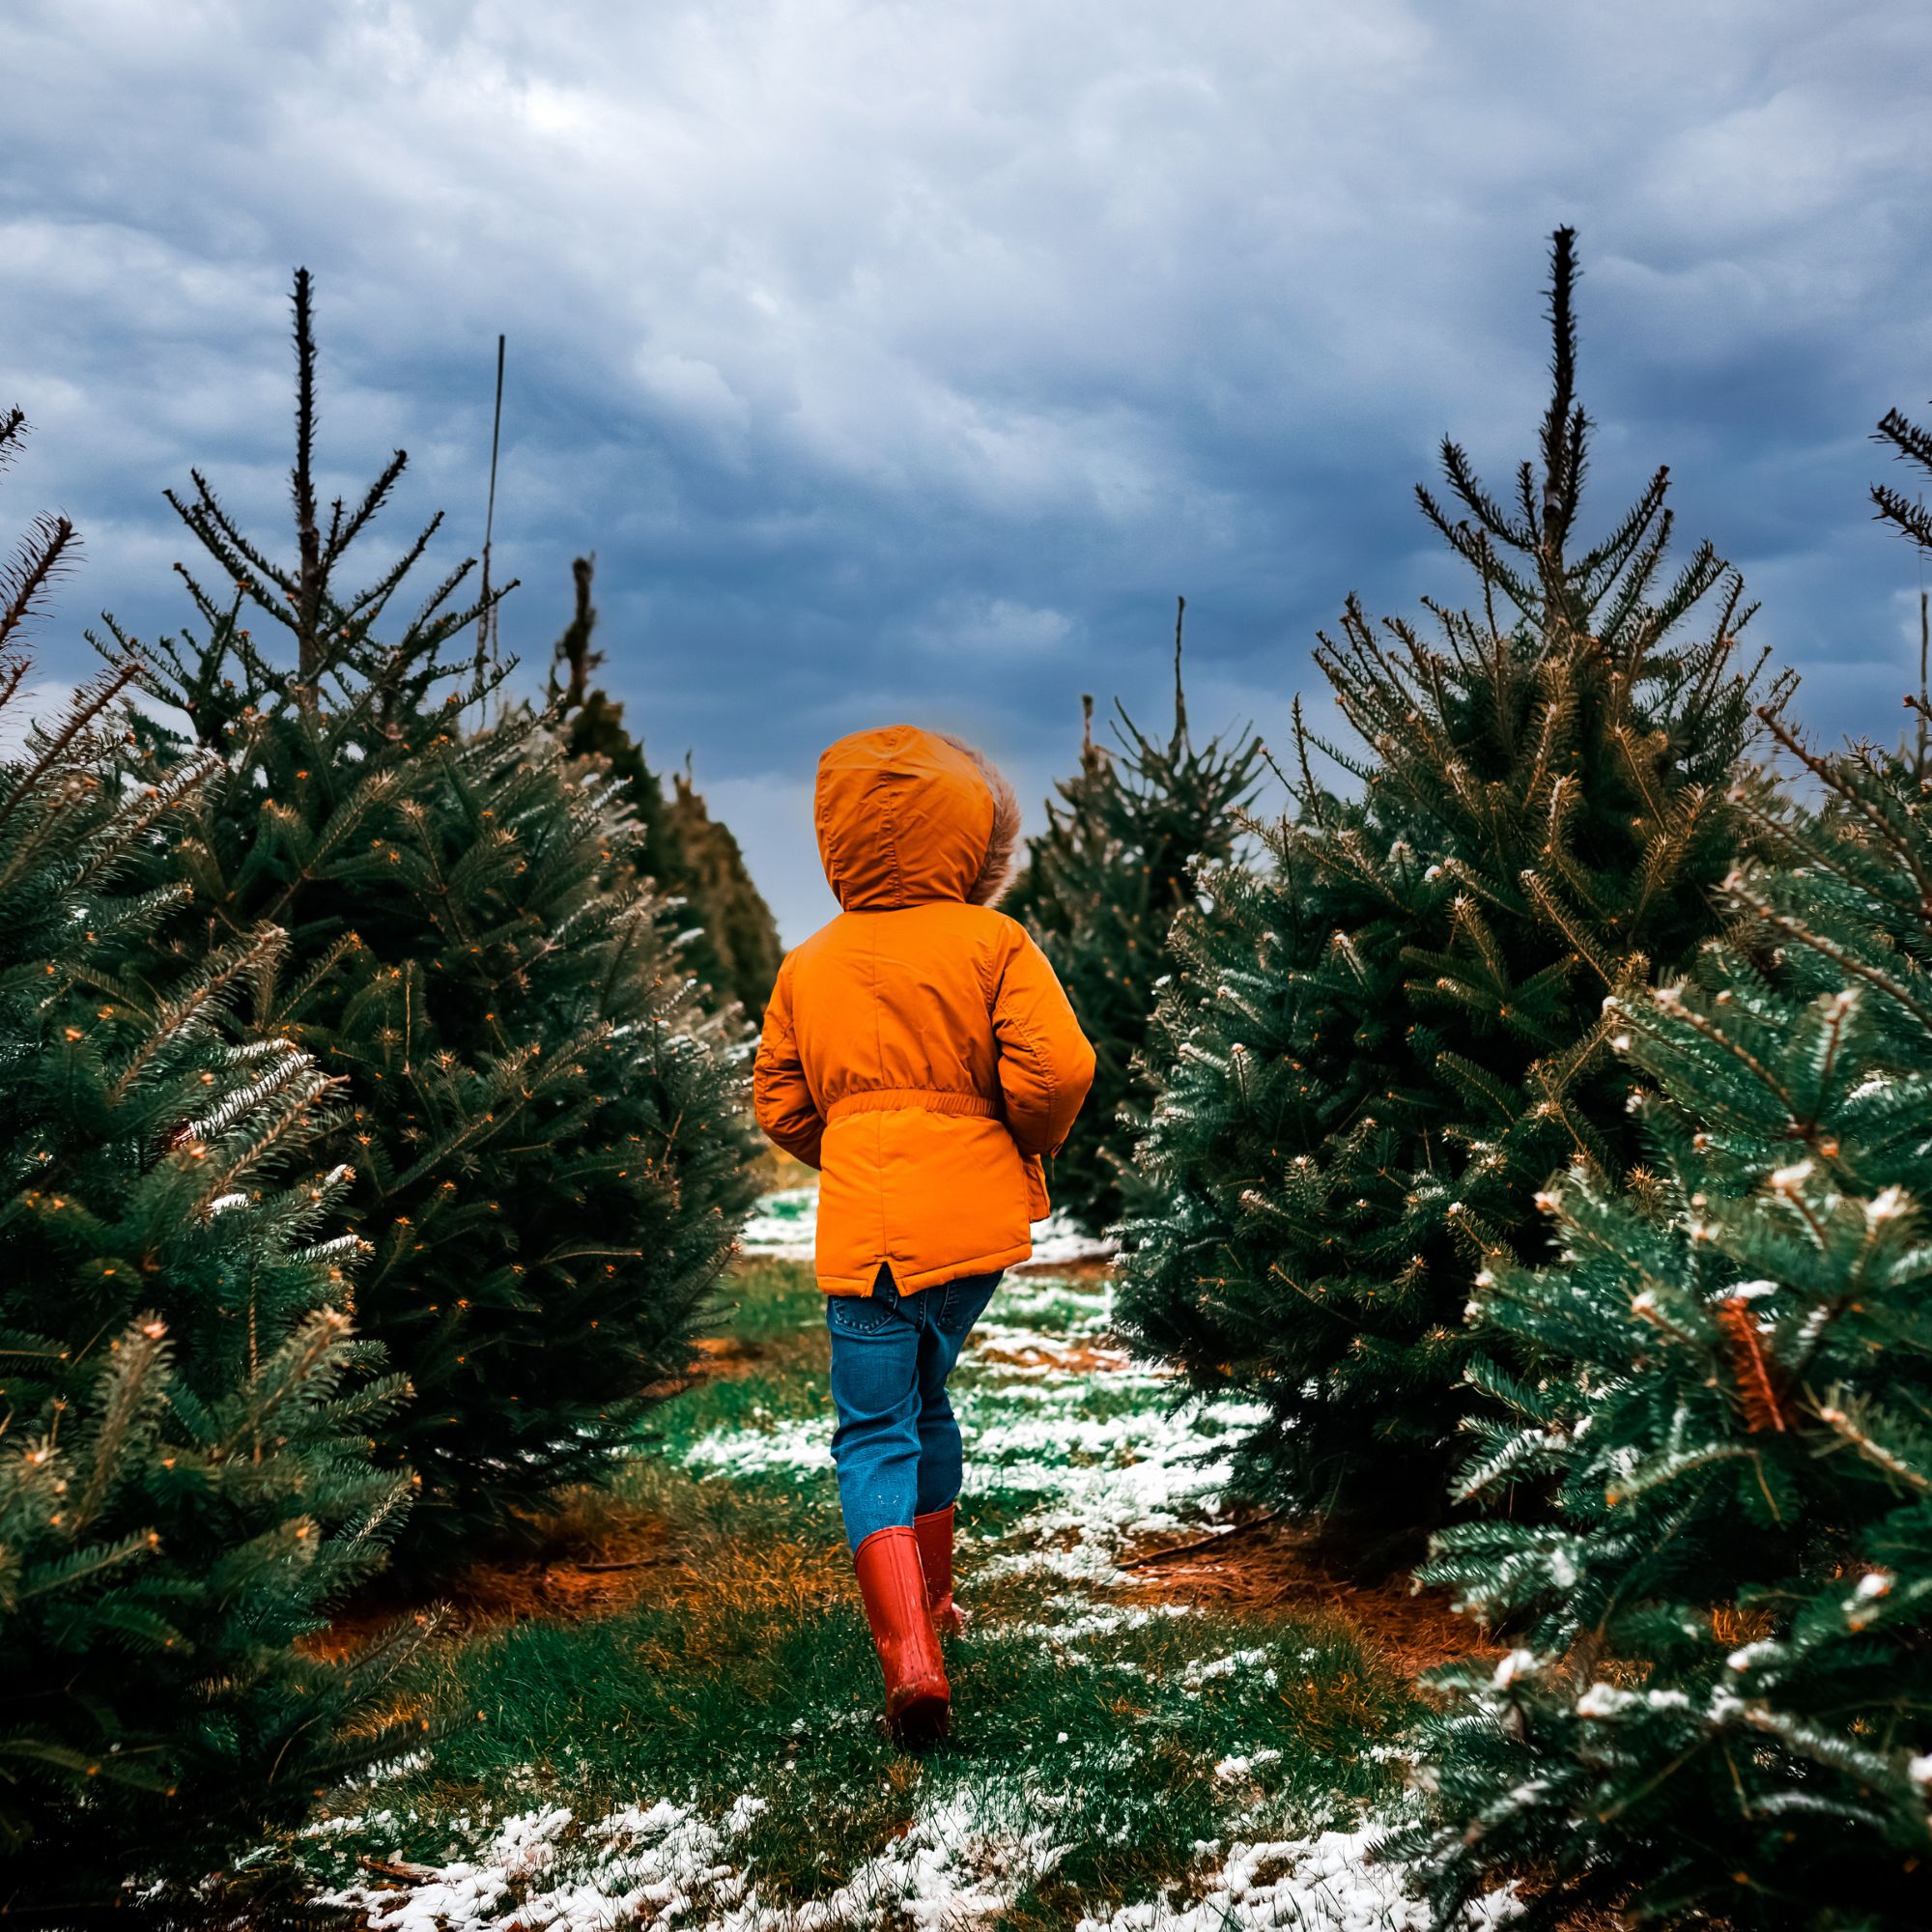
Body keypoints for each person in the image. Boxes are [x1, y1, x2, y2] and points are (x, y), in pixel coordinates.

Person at [753, 724, 1095, 1746]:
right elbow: (1060, 1069)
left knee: (870, 1429)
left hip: (867, 1236)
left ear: (836, 837)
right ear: (971, 835)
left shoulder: (807, 963)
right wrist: (1007, 1137)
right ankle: (935, 1600)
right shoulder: (993, 943)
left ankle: (910, 1654)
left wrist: (851, 1137)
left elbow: (777, 1101)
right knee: (928, 1395)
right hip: (965, 1243)